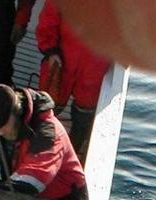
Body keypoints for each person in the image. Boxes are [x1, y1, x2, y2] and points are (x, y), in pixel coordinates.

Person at [35, 0, 110, 159]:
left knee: (83, 116)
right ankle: (37, 149)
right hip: (61, 60)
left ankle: (70, 155)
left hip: (94, 69)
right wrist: (51, 50)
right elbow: (49, 19)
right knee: (45, 108)